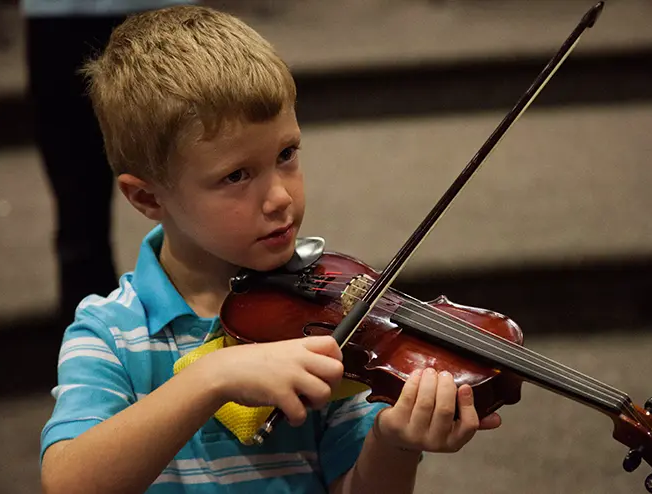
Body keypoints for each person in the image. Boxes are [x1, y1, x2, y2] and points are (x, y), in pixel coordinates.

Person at [39, 6, 502, 493]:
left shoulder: (327, 320)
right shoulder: (111, 332)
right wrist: (210, 377)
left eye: (286, 155)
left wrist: (395, 445)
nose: (280, 196)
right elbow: (69, 483)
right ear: (148, 197)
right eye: (236, 176)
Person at [22, 0, 196, 325]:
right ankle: (94, 347)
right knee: (80, 218)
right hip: (63, 18)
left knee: (215, 202)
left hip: (166, 14)